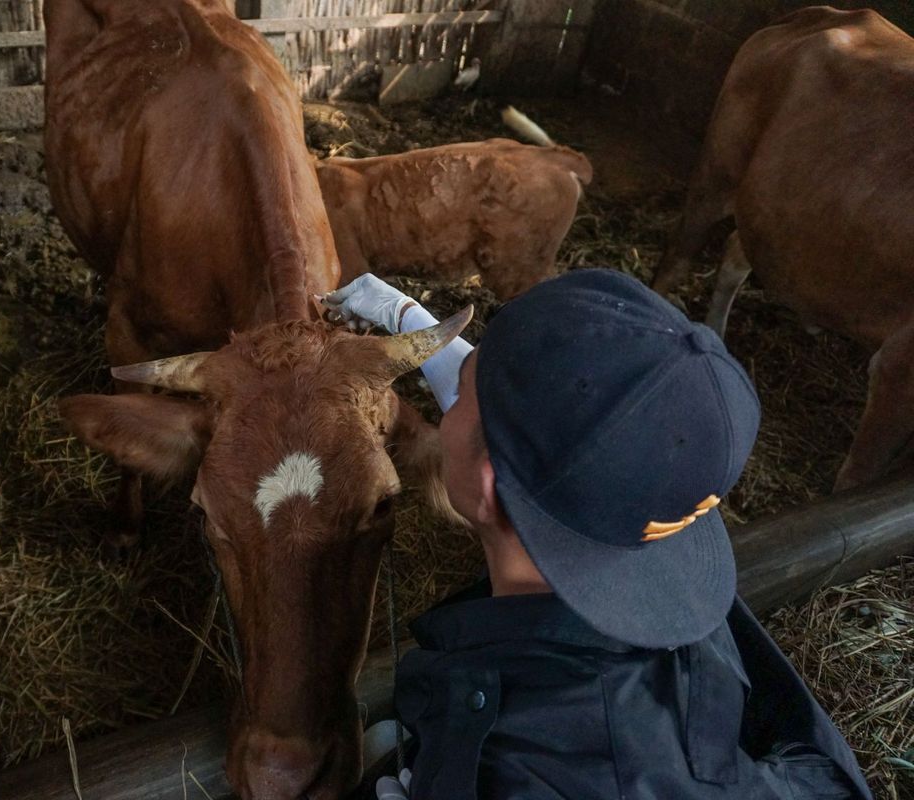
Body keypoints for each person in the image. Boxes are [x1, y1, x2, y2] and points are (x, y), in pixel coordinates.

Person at [321, 270, 873, 800]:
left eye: (464, 395)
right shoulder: (658, 519)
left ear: (489, 490)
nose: (452, 403)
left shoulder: (525, 772)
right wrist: (412, 321)